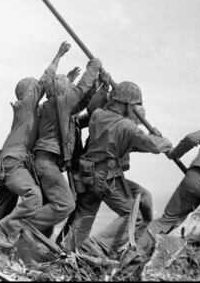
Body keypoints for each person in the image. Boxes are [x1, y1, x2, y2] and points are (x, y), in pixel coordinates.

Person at [60, 81, 172, 256]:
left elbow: (130, 143)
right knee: (134, 216)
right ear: (126, 104)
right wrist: (162, 139)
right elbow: (154, 146)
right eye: (134, 105)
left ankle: (67, 249)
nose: (134, 109)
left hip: (88, 174)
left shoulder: (98, 115)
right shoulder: (126, 126)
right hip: (106, 178)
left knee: (85, 215)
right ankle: (97, 247)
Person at [0, 42, 71, 247]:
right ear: (28, 92)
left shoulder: (32, 111)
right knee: (34, 196)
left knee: (4, 207)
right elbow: (44, 80)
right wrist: (59, 55)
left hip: (15, 162)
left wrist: (68, 81)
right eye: (35, 88)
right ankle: (6, 230)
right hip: (13, 162)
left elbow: (52, 95)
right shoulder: (25, 106)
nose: (39, 90)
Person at [26, 56, 102, 234]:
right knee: (65, 204)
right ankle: (24, 227)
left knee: (51, 206)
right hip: (46, 163)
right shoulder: (60, 103)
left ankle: (32, 239)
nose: (72, 91)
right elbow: (81, 91)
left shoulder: (51, 106)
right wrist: (93, 67)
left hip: (44, 163)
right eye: (70, 89)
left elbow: (82, 101)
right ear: (63, 92)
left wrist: (98, 85)